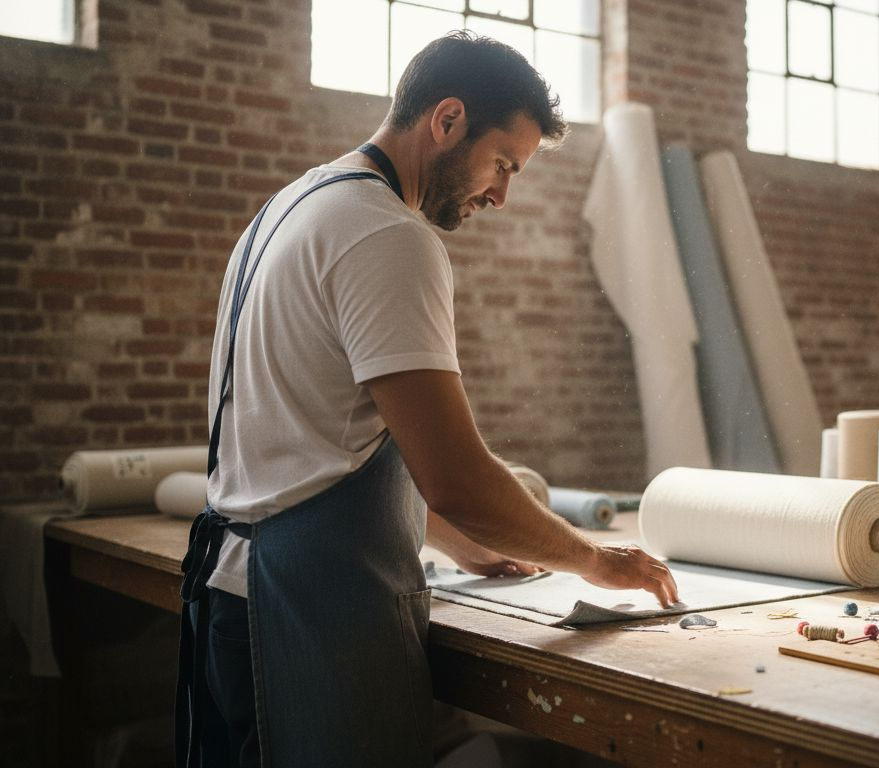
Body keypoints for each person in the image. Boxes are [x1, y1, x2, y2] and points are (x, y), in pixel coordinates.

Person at [176, 31, 679, 768]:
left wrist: (452, 538)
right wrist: (594, 561)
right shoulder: (388, 235)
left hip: (235, 596)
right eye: (503, 163)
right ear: (447, 121)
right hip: (302, 620)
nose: (502, 196)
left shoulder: (287, 210)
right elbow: (459, 479)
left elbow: (312, 442)